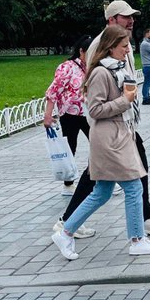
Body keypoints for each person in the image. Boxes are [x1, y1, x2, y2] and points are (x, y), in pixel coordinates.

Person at [58, 1, 150, 238]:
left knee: (99, 178)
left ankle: (68, 223)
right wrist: (123, 101)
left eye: (132, 17)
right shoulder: (100, 46)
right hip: (111, 122)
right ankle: (146, 219)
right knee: (128, 172)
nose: (131, 21)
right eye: (125, 17)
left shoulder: (123, 43)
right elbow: (96, 90)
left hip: (123, 120)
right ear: (111, 19)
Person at [43, 35, 92, 186]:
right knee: (70, 146)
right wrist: (48, 115)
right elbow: (54, 91)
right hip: (70, 114)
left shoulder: (92, 67)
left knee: (98, 143)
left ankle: (101, 176)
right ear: (81, 51)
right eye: (89, 52)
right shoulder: (67, 67)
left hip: (89, 113)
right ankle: (68, 181)